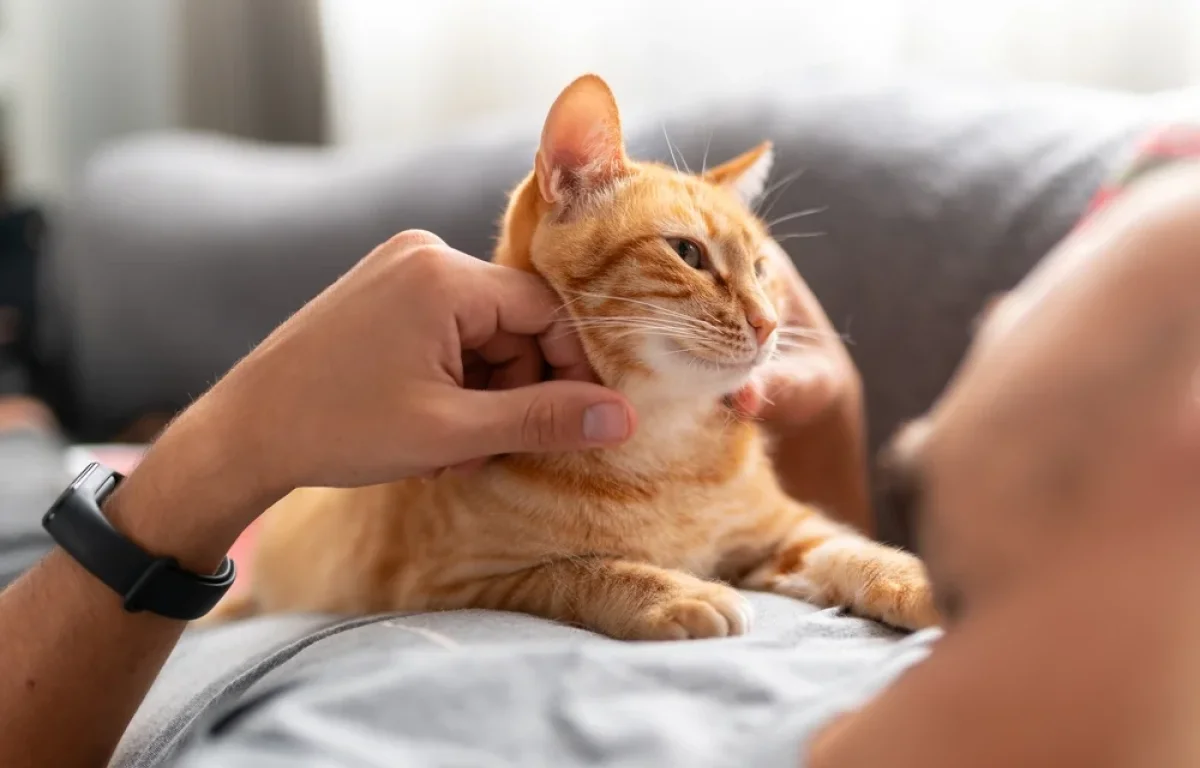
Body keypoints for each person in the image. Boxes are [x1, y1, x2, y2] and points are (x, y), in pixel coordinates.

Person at [3, 154, 1200, 766]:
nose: (761, 308)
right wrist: (833, 473)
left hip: (119, 586)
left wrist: (227, 449)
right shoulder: (992, 662)